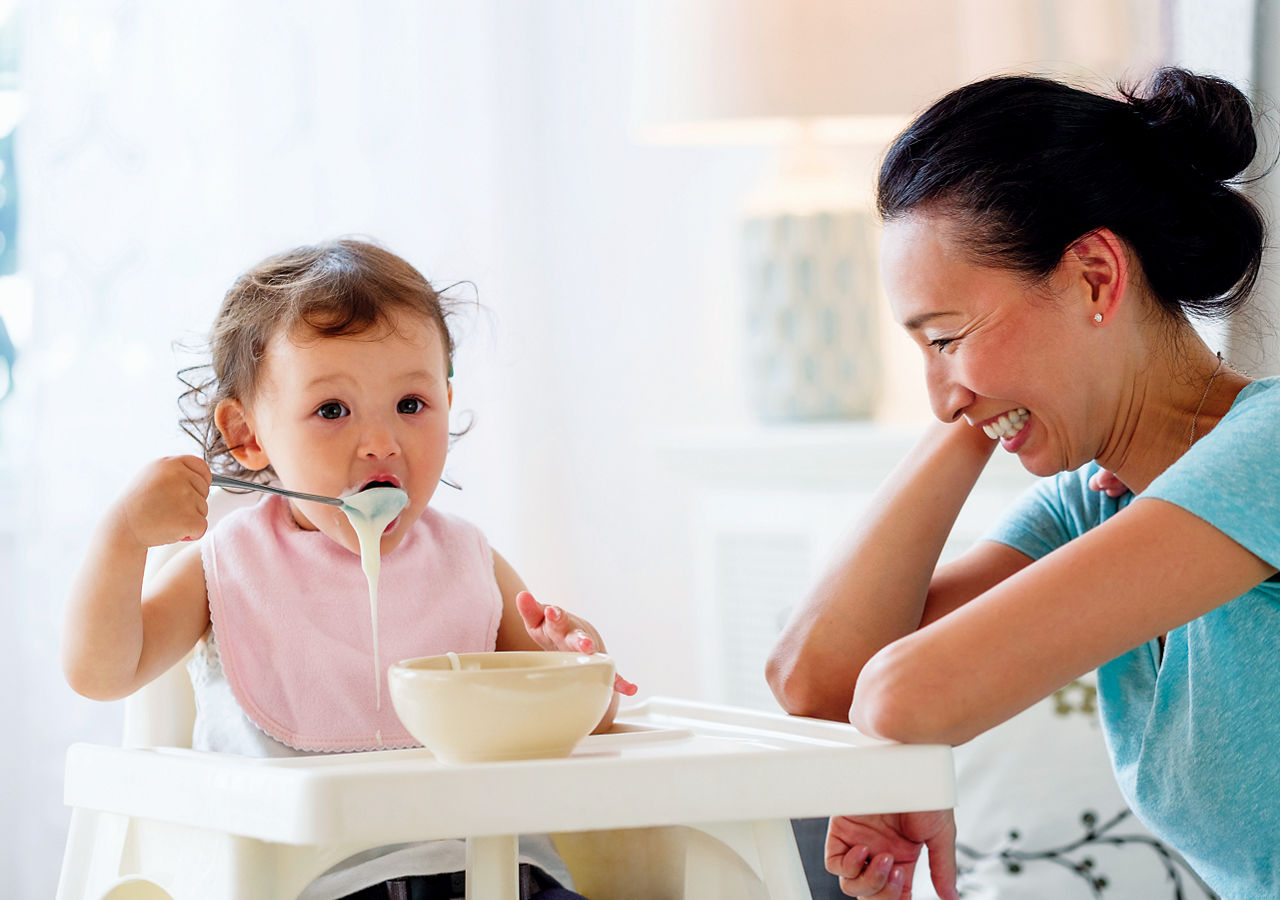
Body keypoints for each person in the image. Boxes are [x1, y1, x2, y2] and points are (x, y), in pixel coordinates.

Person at [766, 67, 1279, 900]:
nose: (938, 400)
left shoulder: (1270, 452)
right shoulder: (1096, 502)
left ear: (1094, 279)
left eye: (945, 336)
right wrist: (974, 400)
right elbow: (816, 680)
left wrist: (909, 777)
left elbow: (902, 697)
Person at [61, 238, 637, 900]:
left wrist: (572, 663)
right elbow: (99, 672)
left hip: (500, 877)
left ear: (447, 404)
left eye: (411, 405)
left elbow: (591, 724)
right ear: (247, 435)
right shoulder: (226, 566)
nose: (381, 441)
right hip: (306, 885)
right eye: (333, 411)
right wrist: (123, 536)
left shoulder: (468, 561)